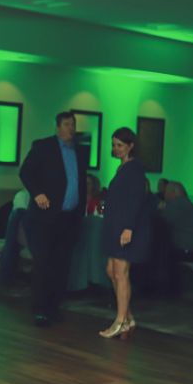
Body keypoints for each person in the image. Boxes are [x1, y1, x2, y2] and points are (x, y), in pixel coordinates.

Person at [19, 111, 89, 326]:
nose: (71, 128)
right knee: (44, 263)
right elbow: (25, 172)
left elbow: (80, 182)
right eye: (67, 124)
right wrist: (37, 193)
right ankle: (40, 309)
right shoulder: (44, 147)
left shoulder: (80, 151)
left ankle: (54, 307)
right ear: (58, 127)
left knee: (62, 264)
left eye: (73, 124)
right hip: (46, 216)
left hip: (69, 217)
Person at [99, 127, 150, 339]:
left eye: (120, 145)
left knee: (121, 272)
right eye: (114, 145)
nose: (116, 149)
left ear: (130, 146)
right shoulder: (123, 168)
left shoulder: (134, 169)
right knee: (112, 271)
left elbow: (136, 199)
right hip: (115, 225)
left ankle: (121, 321)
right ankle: (127, 318)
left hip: (124, 227)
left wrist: (129, 227)